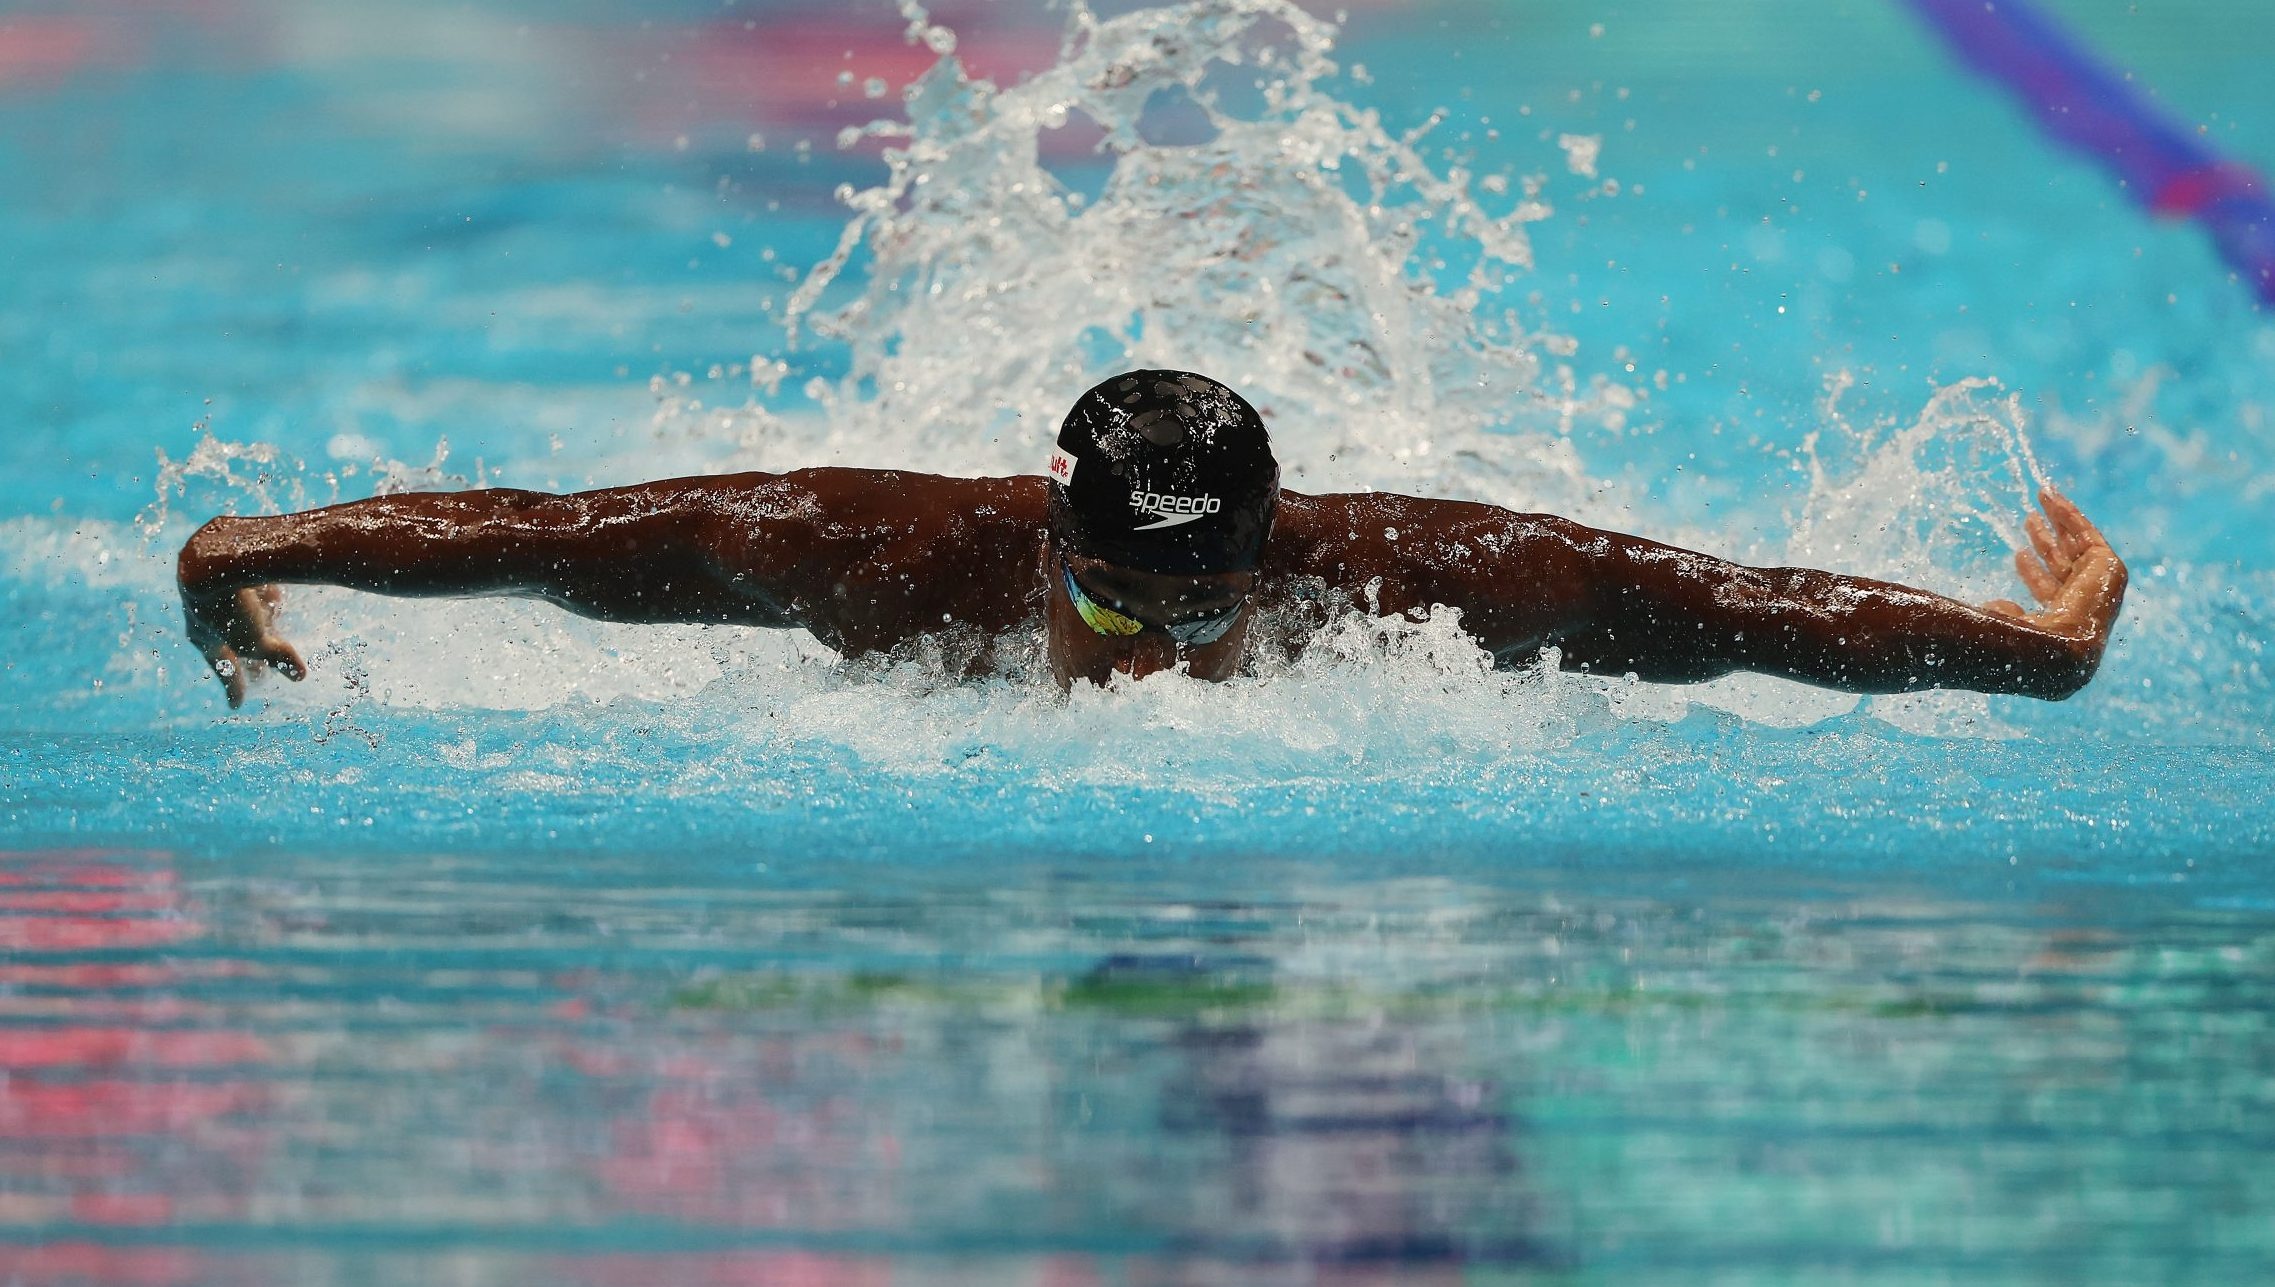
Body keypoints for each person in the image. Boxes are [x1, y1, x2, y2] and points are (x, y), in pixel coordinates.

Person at [176, 370, 2127, 707]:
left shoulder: (1401, 575)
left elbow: (1717, 607)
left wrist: (2018, 647)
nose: (1166, 660)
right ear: (1051, 542)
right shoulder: (851, 551)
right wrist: (236, 555)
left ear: (1270, 554)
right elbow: (529, 530)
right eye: (1121, 595)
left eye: (1212, 605)